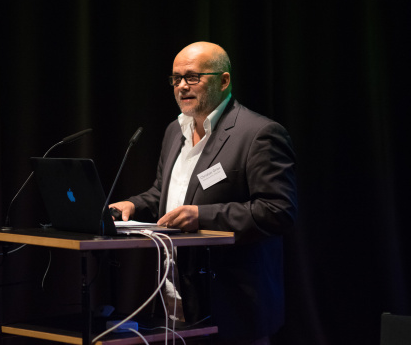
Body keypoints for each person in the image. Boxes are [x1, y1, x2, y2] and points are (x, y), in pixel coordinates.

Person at [110, 42, 297, 345]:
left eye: (192, 77)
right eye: (176, 78)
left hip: (234, 305)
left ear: (224, 81)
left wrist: (202, 216)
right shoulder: (176, 129)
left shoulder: (259, 133)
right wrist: (133, 204)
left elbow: (278, 210)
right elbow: (165, 193)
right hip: (176, 297)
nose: (181, 86)